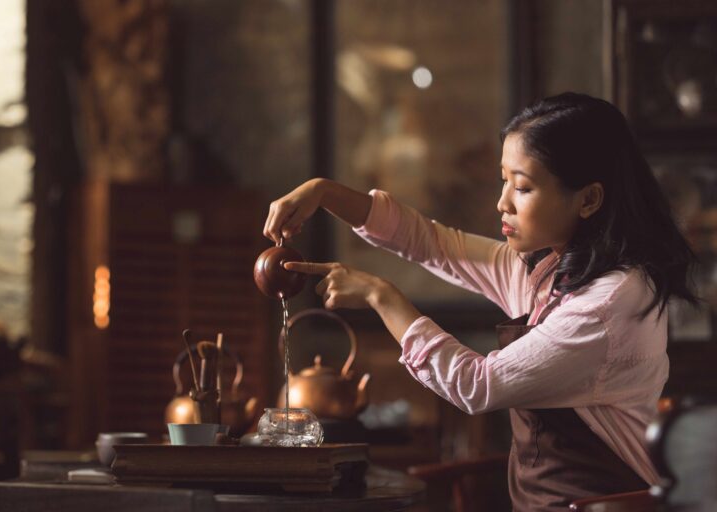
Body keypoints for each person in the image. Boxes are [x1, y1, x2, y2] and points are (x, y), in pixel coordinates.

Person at [263, 92, 698, 511]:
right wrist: (324, 192)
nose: (501, 203)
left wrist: (382, 296)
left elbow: (477, 385)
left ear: (588, 199)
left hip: (605, 505)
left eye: (522, 187)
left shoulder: (608, 304)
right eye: (504, 180)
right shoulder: (551, 272)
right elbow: (432, 243)